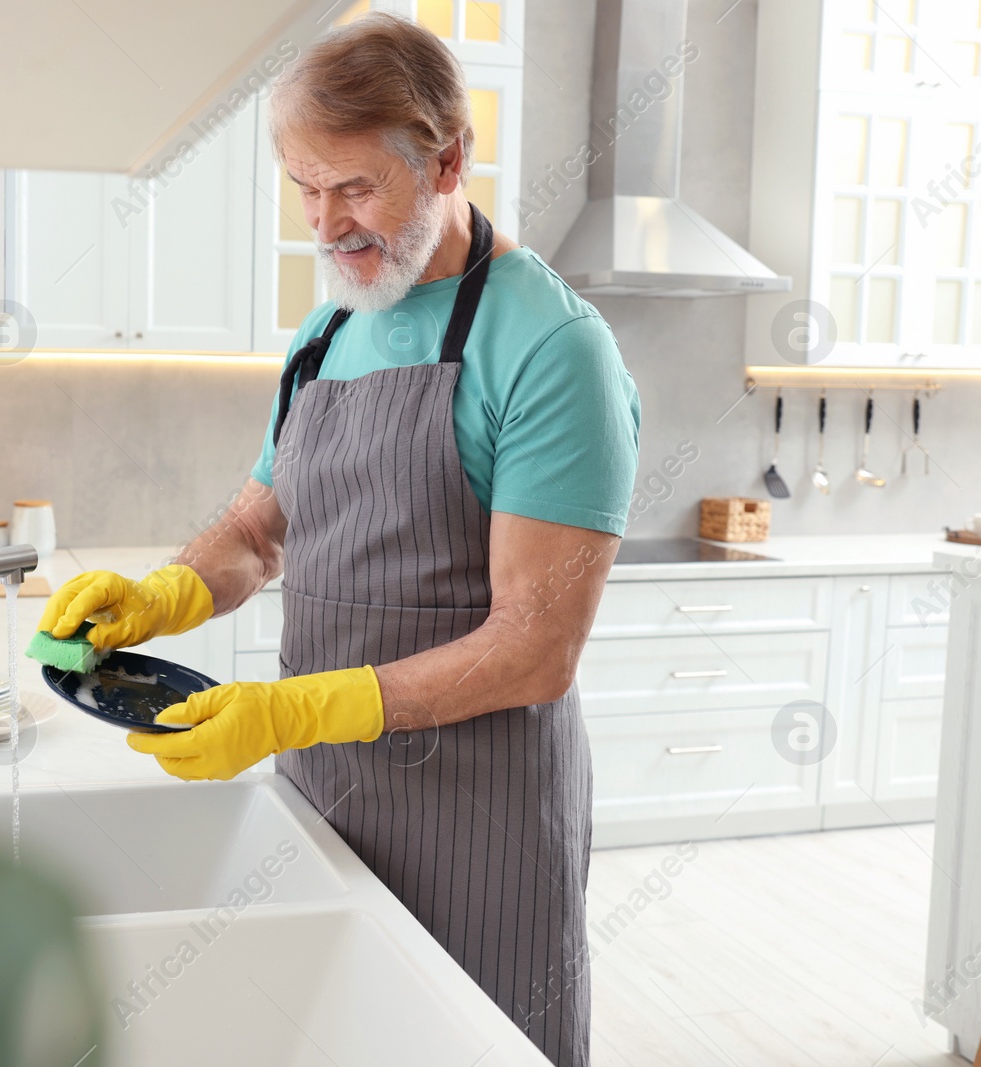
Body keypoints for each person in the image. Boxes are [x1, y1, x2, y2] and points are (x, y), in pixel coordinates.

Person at [37, 14, 639, 1066]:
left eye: (354, 187)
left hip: (478, 826)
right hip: (319, 804)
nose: (325, 224)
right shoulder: (329, 333)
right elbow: (256, 526)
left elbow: (537, 646)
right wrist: (162, 594)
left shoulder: (550, 348)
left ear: (447, 157)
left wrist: (298, 706)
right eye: (304, 190)